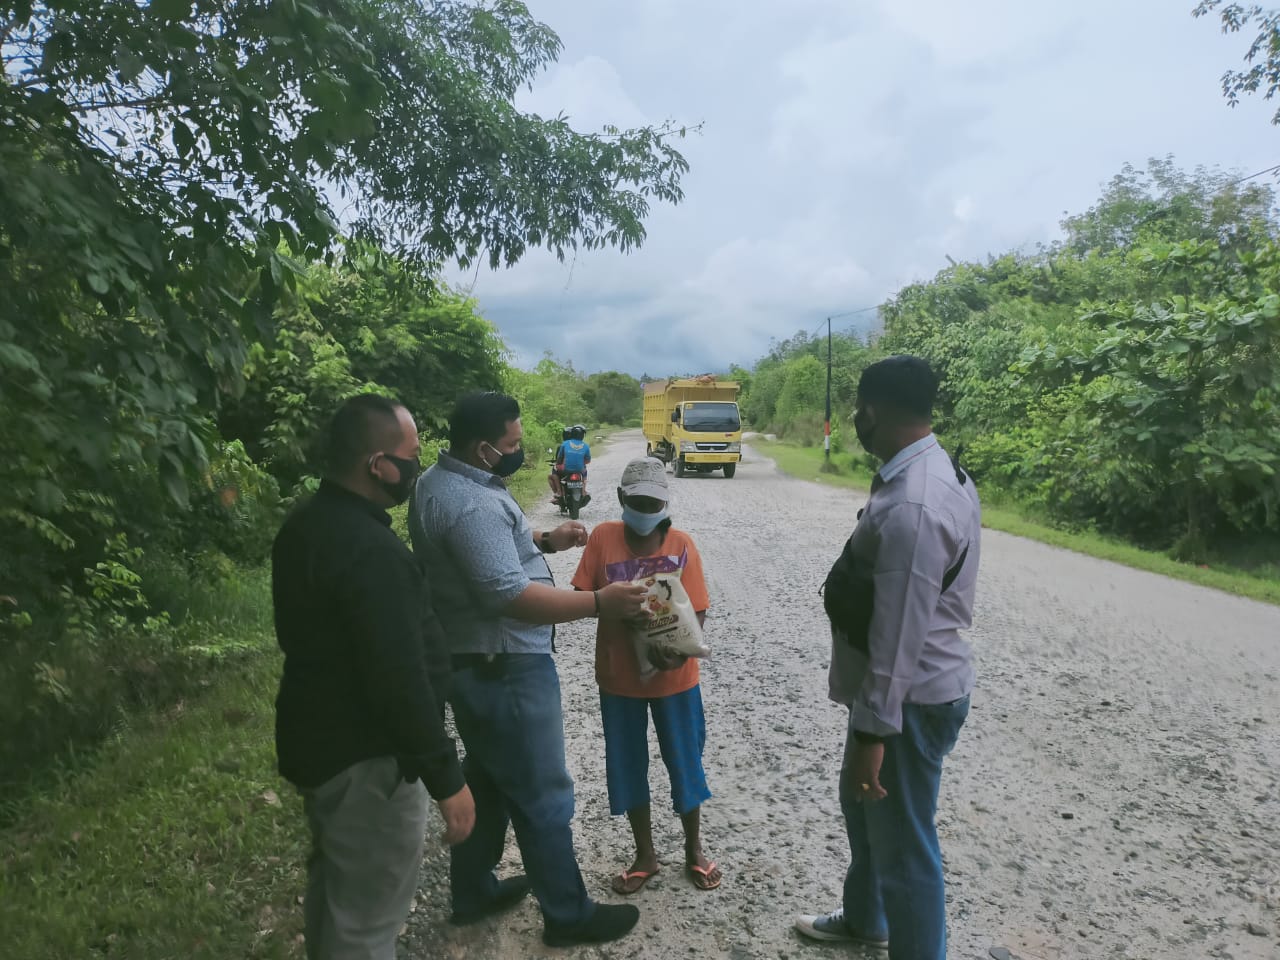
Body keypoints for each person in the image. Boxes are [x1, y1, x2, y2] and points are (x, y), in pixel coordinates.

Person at [409, 391, 649, 948]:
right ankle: (568, 915)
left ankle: (472, 891)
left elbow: (486, 552)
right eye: (513, 445)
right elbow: (507, 594)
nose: (520, 451)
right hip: (505, 665)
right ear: (484, 447)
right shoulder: (470, 504)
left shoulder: (438, 483)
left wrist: (544, 539)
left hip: (477, 664)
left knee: (491, 780)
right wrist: (598, 603)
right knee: (543, 793)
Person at [272, 393, 476, 960]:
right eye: (410, 454)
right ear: (377, 465)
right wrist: (446, 776)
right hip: (367, 761)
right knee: (368, 925)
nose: (417, 465)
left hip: (319, 744)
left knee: (339, 895)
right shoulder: (369, 550)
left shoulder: (307, 525)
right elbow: (397, 675)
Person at [795, 356, 981, 960]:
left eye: (857, 409)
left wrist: (876, 727)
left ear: (870, 411)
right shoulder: (925, 470)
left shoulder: (915, 504)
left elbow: (900, 632)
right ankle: (865, 918)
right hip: (895, 695)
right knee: (861, 804)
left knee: (903, 845)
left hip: (909, 700)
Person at [570, 457, 722, 895]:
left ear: (665, 502)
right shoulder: (602, 538)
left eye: (652, 501)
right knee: (627, 763)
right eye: (637, 501)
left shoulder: (682, 544)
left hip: (676, 680)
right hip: (619, 679)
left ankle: (694, 849)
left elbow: (699, 610)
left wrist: (674, 651)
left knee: (685, 763)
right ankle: (645, 854)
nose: (644, 508)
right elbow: (583, 596)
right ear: (621, 499)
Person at [551, 424, 592, 506]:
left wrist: (558, 464)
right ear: (582, 435)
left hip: (566, 469)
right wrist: (581, 463)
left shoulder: (565, 444)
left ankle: (559, 492)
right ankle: (583, 490)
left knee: (554, 470)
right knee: (585, 471)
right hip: (580, 470)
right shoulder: (586, 446)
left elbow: (559, 458)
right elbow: (588, 461)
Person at [547, 426, 571, 502]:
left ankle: (559, 492)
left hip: (564, 469)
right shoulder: (579, 445)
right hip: (578, 469)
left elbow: (558, 460)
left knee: (553, 472)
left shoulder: (561, 446)